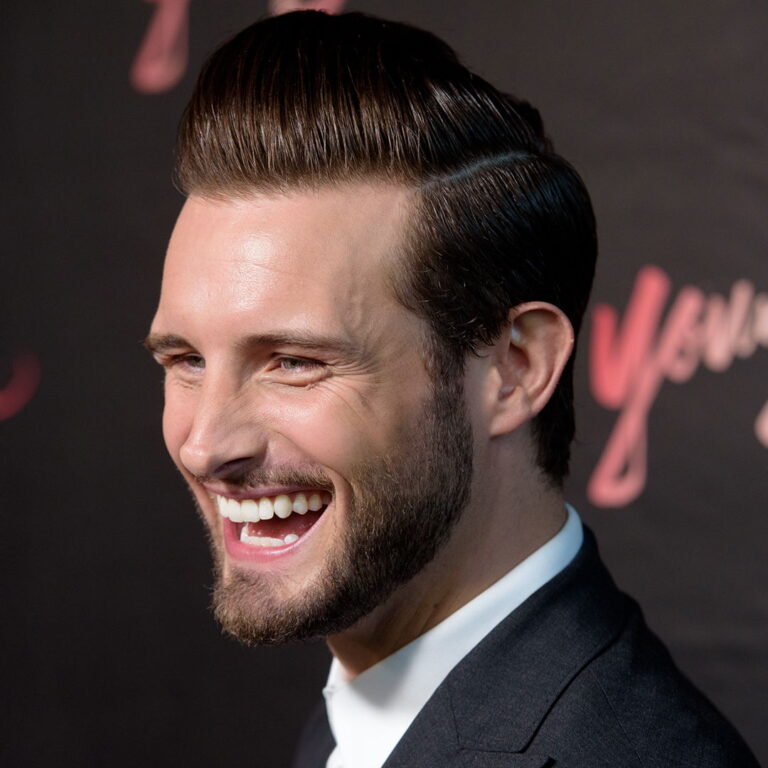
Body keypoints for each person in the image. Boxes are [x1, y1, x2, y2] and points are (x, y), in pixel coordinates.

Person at [145, 10, 759, 768]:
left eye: (294, 361)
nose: (207, 443)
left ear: (515, 367)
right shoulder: (365, 717)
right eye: (185, 361)